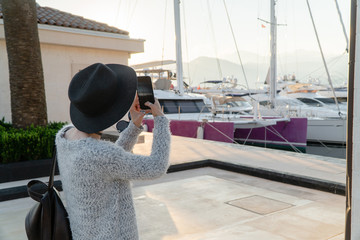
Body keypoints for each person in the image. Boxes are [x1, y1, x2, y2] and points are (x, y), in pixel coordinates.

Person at [55, 63, 171, 240]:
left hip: (83, 233)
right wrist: (160, 120)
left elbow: (109, 164)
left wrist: (134, 125)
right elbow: (156, 166)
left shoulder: (65, 136)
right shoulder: (100, 155)